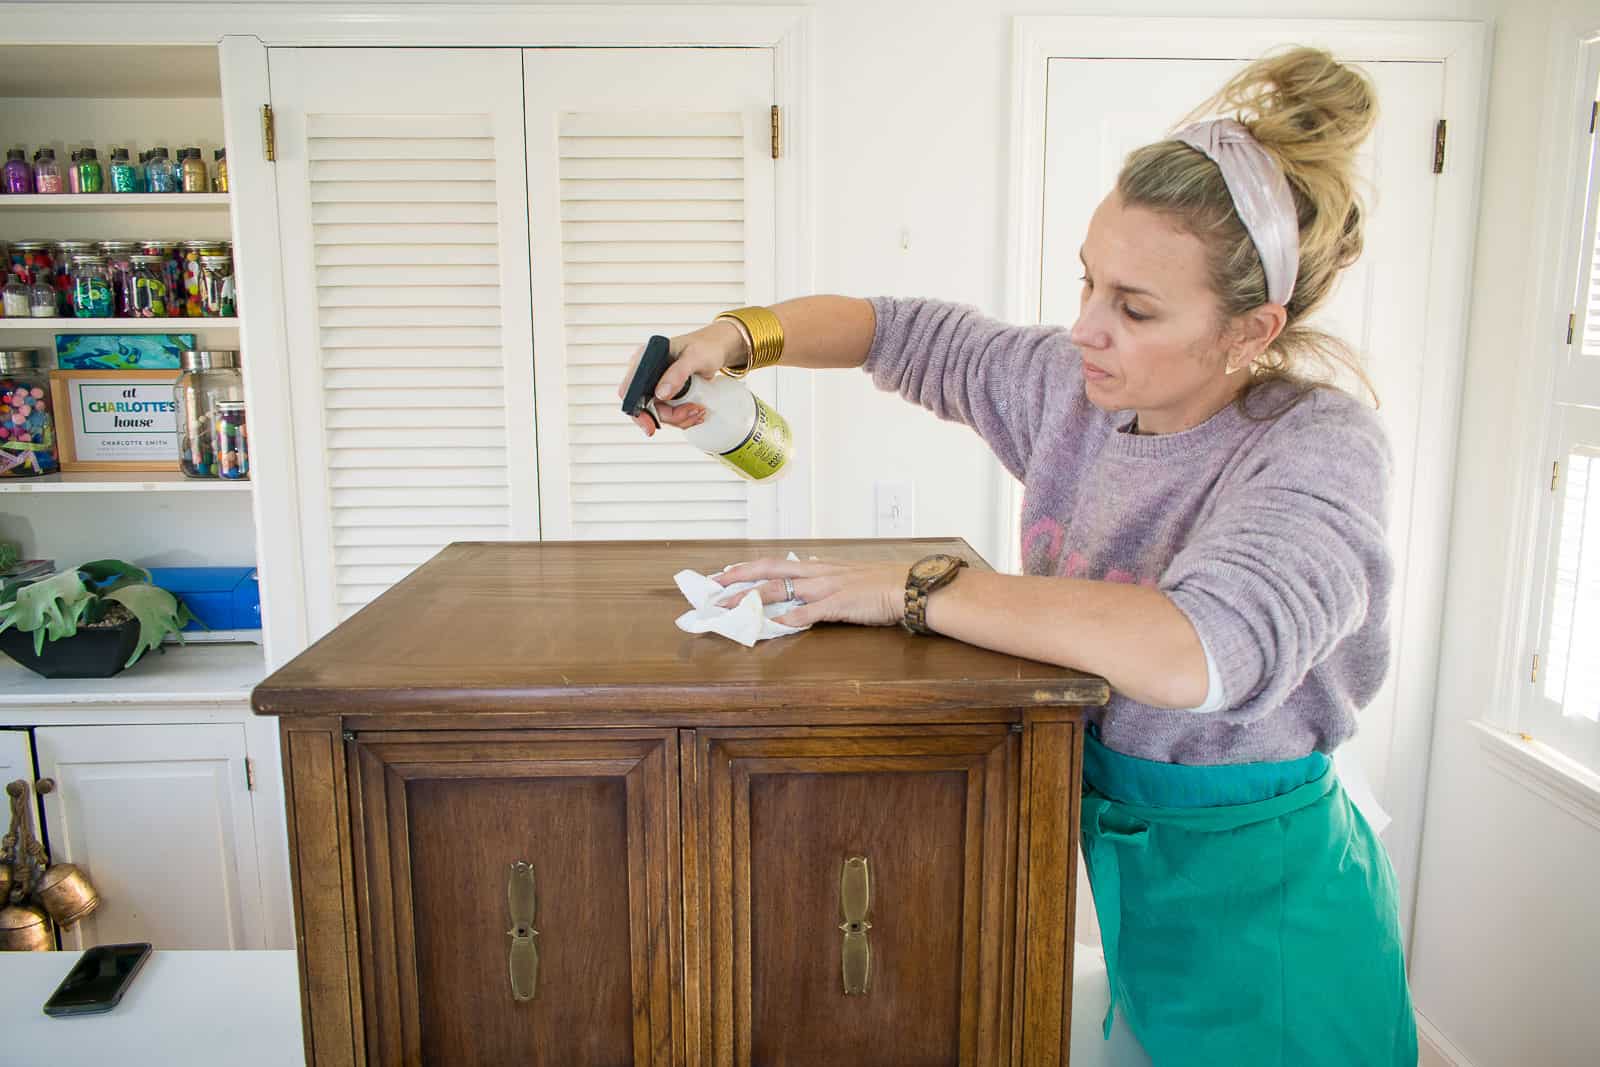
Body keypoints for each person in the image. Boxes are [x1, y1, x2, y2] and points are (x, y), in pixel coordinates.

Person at [618, 46, 1414, 1066]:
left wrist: (916, 588)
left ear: (1246, 330)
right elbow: (894, 332)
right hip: (1132, 864)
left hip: (1271, 909)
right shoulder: (1073, 392)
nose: (1083, 327)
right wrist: (736, 337)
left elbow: (1201, 651)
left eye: (1133, 308)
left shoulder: (1318, 447)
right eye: (1088, 281)